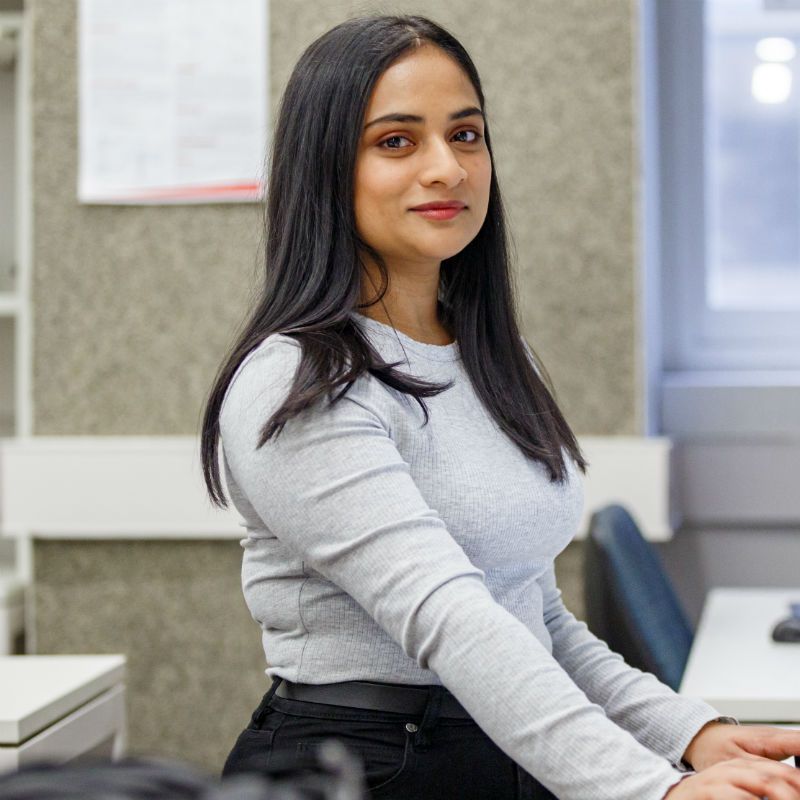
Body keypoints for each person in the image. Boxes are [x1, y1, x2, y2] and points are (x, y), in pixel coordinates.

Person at [200, 14, 800, 800]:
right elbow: (452, 617)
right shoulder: (301, 381)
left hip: (502, 753)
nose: (447, 168)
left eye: (467, 134)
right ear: (325, 169)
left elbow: (532, 616)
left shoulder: (489, 357)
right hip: (363, 768)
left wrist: (688, 734)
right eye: (396, 142)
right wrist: (647, 789)